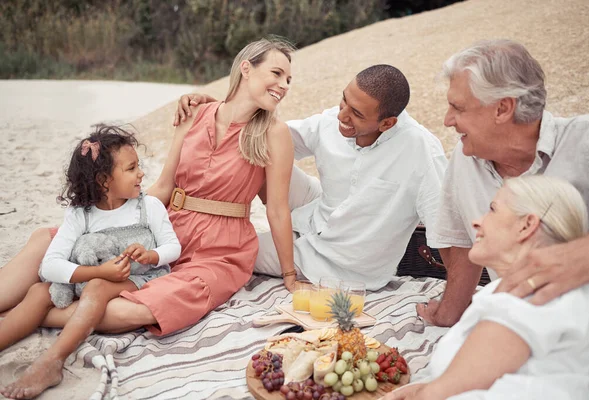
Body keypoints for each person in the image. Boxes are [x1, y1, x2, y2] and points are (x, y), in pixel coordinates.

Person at [0, 37, 296, 396]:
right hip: (166, 222)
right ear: (246, 68)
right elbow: (163, 187)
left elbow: (277, 209)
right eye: (276, 73)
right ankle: (26, 302)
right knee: (45, 239)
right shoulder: (197, 112)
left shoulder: (274, 133)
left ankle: (34, 307)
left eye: (288, 80)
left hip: (220, 250)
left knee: (134, 312)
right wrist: (93, 221)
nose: (283, 85)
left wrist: (291, 276)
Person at [173, 64, 448, 290]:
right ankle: (205, 222)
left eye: (356, 114)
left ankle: (208, 239)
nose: (342, 115)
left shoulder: (422, 153)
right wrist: (217, 108)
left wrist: (448, 307)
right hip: (317, 209)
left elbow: (449, 233)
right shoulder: (333, 120)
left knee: (232, 251)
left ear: (387, 123)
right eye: (344, 100)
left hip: (339, 262)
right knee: (260, 145)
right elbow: (268, 132)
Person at [418, 39, 589, 327]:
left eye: (457, 107)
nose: (447, 120)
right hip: (520, 331)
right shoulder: (465, 159)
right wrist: (448, 313)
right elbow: (465, 247)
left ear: (502, 108)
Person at [0, 126, 182, 399]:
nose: (141, 173)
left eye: (139, 166)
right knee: (40, 291)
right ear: (103, 180)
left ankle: (53, 360)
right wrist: (97, 270)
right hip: (92, 276)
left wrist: (151, 255)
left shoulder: (149, 207)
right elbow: (50, 264)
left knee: (97, 285)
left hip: (139, 277)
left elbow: (173, 247)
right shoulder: (80, 215)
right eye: (132, 168)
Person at [384, 175, 589, 400]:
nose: (477, 222)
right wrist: (420, 387)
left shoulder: (538, 292)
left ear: (526, 226)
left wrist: (426, 391)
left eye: (493, 209)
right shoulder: (503, 288)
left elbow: (442, 392)